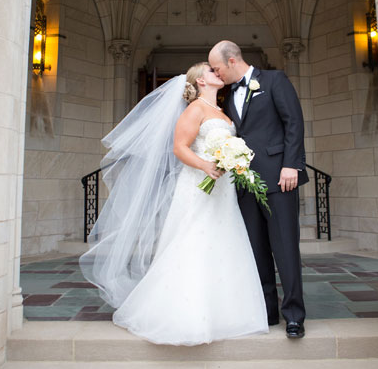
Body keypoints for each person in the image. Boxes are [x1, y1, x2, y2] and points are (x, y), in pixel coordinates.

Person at [80, 63, 267, 345]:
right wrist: (205, 165)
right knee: (193, 242)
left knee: (224, 242)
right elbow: (179, 147)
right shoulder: (194, 109)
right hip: (198, 187)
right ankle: (185, 315)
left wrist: (235, 161)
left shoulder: (222, 111)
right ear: (200, 81)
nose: (217, 72)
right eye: (210, 70)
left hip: (223, 190)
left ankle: (225, 314)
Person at [208, 40, 308, 338]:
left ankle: (294, 316)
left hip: (280, 179)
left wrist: (292, 164)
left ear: (232, 61)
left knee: (285, 248)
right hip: (244, 183)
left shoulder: (275, 80)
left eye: (216, 68)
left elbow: (294, 123)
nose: (216, 73)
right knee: (257, 251)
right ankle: (267, 312)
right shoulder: (227, 98)